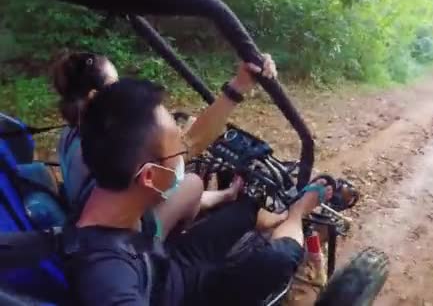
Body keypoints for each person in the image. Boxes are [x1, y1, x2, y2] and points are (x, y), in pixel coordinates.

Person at [65, 59, 334, 305]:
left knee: (246, 208)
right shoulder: (109, 279)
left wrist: (238, 86)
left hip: (166, 265)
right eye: (178, 151)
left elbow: (192, 141)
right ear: (150, 176)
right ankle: (297, 213)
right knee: (277, 259)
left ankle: (264, 217)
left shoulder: (109, 183)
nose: (185, 152)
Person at [50, 52, 249, 238]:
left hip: (88, 217)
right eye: (115, 85)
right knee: (192, 184)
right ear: (95, 97)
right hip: (128, 235)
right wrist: (238, 86)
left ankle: (223, 196)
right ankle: (178, 238)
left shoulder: (71, 134)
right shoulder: (118, 143)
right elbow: (187, 148)